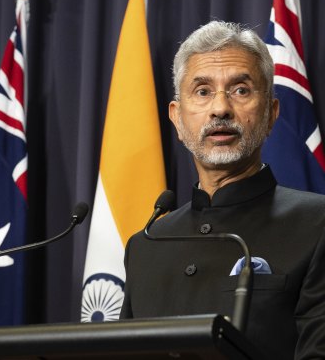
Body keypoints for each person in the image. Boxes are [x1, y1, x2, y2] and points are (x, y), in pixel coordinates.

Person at [120, 21, 325, 359]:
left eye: (240, 90)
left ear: (271, 114)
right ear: (177, 118)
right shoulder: (145, 243)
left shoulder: (317, 224)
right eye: (202, 91)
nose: (220, 108)